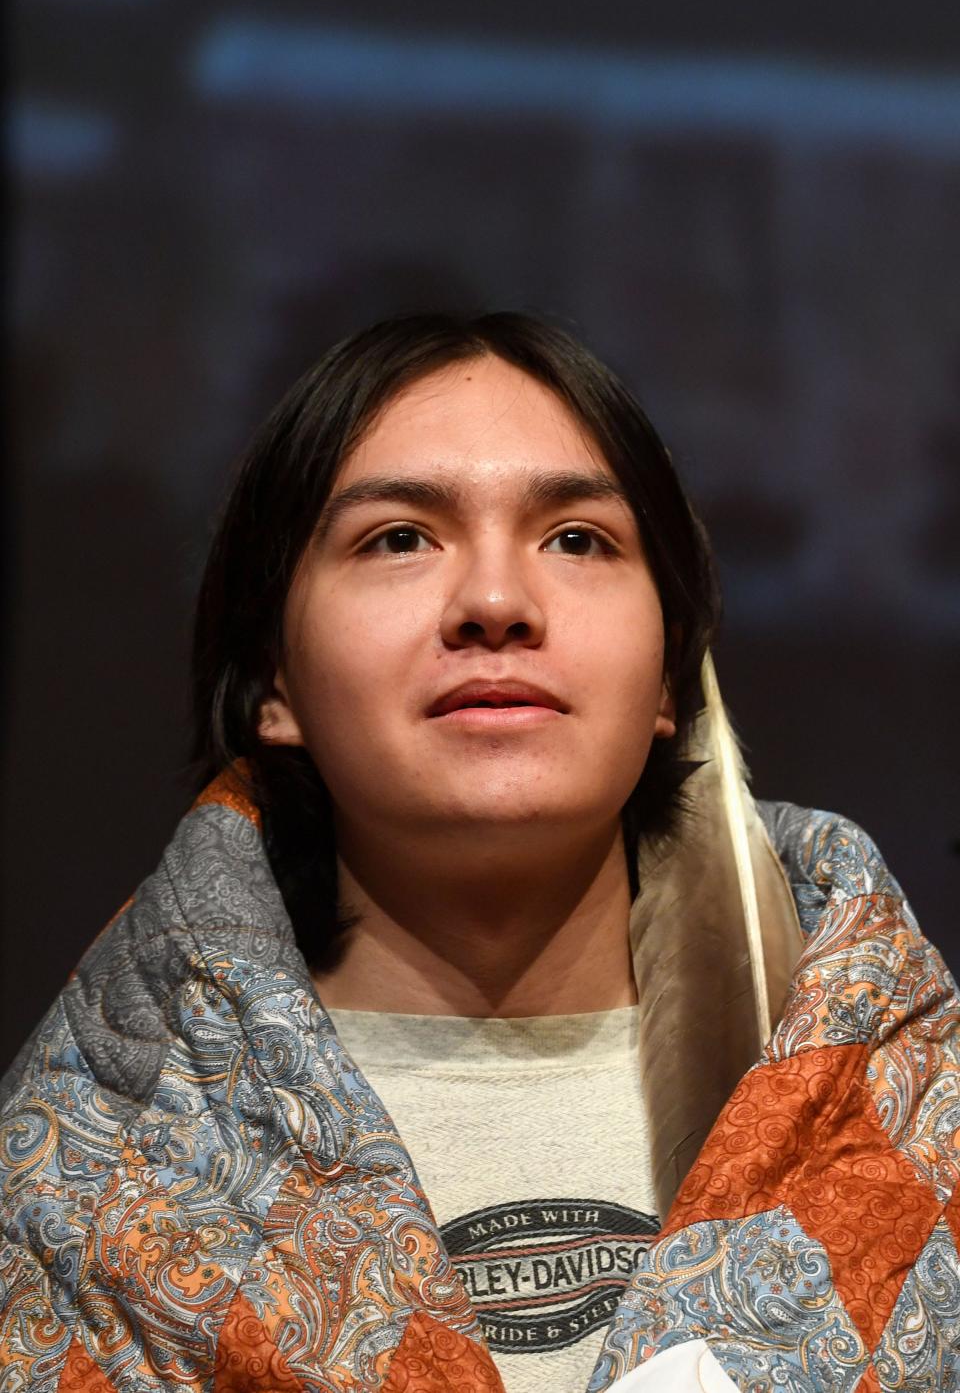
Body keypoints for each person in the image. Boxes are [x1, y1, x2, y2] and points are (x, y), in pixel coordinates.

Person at [1, 312, 957, 1393]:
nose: (495, 604)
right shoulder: (95, 1161)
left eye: (577, 539)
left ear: (666, 679)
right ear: (273, 680)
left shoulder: (901, 1095)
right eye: (399, 537)